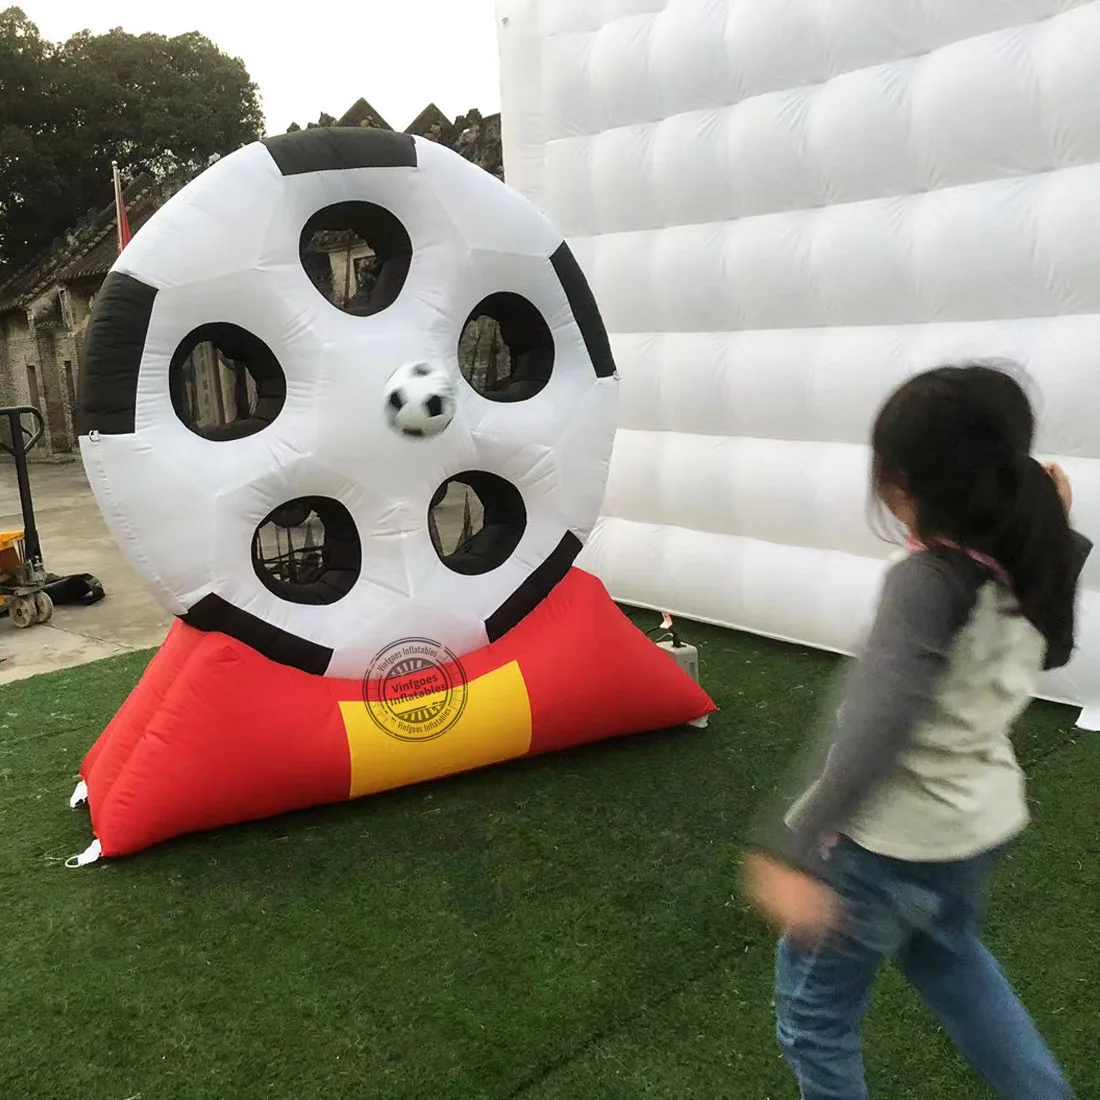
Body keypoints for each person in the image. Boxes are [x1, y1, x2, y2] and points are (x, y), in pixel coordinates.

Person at [742, 362, 1091, 1099]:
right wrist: (1060, 528)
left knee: (815, 1020)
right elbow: (1055, 646)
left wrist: (794, 849)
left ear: (899, 484)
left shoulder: (925, 585)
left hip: (883, 849)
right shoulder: (1029, 557)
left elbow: (878, 722)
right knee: (951, 963)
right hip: (972, 832)